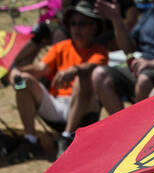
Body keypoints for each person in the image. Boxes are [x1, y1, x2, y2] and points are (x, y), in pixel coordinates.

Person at [12, 1, 108, 158]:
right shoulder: (61, 47)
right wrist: (16, 71)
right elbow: (40, 69)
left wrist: (74, 70)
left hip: (83, 109)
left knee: (83, 79)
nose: (76, 28)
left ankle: (66, 136)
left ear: (93, 27)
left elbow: (91, 68)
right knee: (22, 82)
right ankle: (30, 139)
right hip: (56, 106)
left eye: (82, 24)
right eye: (73, 24)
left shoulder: (99, 52)